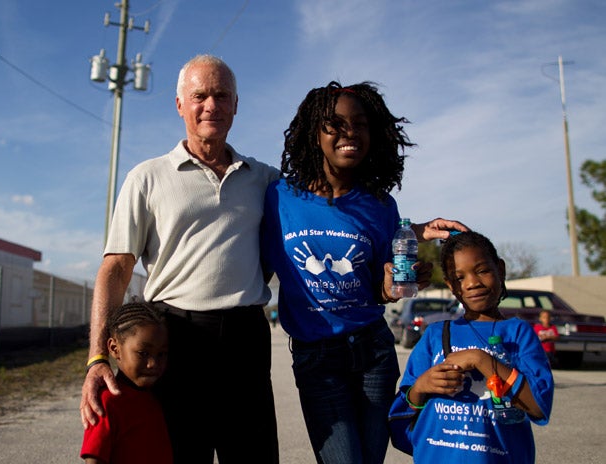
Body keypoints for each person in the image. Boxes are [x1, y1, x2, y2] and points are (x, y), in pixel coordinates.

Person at [80, 54, 280, 463]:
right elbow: (116, 269)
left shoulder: (266, 179)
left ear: (236, 105)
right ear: (179, 105)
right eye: (200, 95)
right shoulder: (148, 177)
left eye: (222, 95)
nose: (211, 105)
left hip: (245, 340)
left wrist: (405, 232)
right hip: (174, 340)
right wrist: (98, 355)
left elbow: (312, 223)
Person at [260, 80, 467, 464]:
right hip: (317, 358)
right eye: (335, 124)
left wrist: (392, 288)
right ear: (314, 133)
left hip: (374, 352)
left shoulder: (380, 205)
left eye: (360, 124)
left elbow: (379, 287)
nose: (350, 132)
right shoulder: (278, 198)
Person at [392, 231, 554, 463]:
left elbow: (538, 406)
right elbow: (402, 415)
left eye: (482, 270)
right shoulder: (435, 335)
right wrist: (421, 386)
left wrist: (482, 360)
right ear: (451, 285)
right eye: (459, 277)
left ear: (500, 269)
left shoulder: (518, 333)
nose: (472, 283)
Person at [80, 302, 172, 464]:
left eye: (161, 354)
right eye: (143, 353)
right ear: (114, 348)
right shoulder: (106, 402)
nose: (153, 364)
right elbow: (94, 459)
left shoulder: (156, 396)